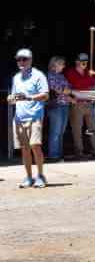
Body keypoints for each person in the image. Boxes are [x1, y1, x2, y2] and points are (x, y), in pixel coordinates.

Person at [7, 48, 49, 188]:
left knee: (35, 146)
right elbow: (13, 97)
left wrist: (29, 97)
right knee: (24, 148)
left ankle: (41, 176)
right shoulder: (16, 77)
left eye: (24, 59)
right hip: (19, 118)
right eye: (19, 59)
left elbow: (45, 95)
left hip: (35, 116)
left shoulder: (39, 75)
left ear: (30, 60)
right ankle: (29, 177)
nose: (21, 62)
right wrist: (11, 98)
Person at [64, 53, 95, 158]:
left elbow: (94, 86)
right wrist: (71, 97)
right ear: (76, 61)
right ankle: (79, 152)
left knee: (92, 128)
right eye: (82, 61)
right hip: (77, 104)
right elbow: (65, 88)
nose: (84, 63)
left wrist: (93, 95)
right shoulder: (70, 73)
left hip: (89, 104)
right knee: (77, 129)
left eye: (86, 61)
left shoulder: (89, 73)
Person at [44, 56, 71, 162]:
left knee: (61, 131)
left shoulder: (61, 76)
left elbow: (68, 88)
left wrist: (66, 92)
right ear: (55, 64)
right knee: (55, 131)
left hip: (65, 105)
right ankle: (53, 155)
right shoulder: (49, 75)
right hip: (55, 106)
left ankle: (59, 154)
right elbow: (58, 89)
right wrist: (65, 91)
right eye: (62, 64)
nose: (63, 66)